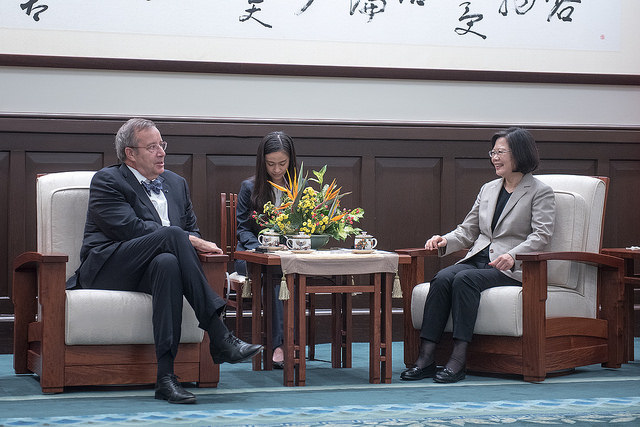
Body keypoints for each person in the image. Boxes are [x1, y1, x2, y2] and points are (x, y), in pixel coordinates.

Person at [72, 118, 263, 404]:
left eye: (162, 144)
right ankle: (218, 333)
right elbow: (130, 229)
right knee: (173, 236)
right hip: (109, 266)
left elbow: (192, 230)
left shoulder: (176, 183)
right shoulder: (108, 180)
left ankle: (165, 378)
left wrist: (187, 239)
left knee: (168, 264)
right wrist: (187, 239)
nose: (161, 152)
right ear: (130, 154)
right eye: (152, 147)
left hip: (152, 270)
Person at [400, 127, 555, 384]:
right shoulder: (488, 189)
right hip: (478, 259)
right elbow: (468, 230)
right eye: (492, 152)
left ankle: (458, 359)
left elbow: (541, 235)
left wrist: (513, 256)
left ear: (519, 154)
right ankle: (425, 358)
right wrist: (444, 241)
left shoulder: (540, 191)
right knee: (442, 278)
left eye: (500, 152)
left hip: (511, 267)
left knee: (464, 280)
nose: (494, 158)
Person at [235, 131, 298, 368]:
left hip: (287, 257)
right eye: (271, 164)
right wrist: (264, 248)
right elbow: (243, 230)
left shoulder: (299, 190)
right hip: (252, 256)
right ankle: (280, 345)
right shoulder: (249, 187)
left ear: (291, 160)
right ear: (262, 162)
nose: (277, 169)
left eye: (282, 163)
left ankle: (289, 341)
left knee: (289, 274)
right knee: (274, 276)